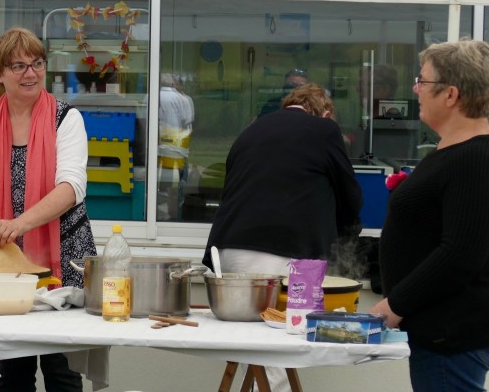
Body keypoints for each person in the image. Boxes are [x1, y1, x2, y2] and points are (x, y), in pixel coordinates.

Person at [0, 27, 95, 392]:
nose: (31, 73)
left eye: (37, 63)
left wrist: (19, 224)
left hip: (63, 264)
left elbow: (71, 187)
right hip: (3, 269)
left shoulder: (66, 119)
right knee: (14, 372)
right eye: (19, 66)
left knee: (62, 373)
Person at [369, 40, 489, 392]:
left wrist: (395, 304)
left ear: (451, 94)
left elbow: (461, 254)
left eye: (423, 82)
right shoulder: (452, 153)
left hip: (448, 333)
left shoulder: (473, 158)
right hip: (434, 330)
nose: (415, 90)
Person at [204, 83, 362, 273]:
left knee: (239, 304)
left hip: (226, 249)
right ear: (326, 115)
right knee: (293, 304)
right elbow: (349, 195)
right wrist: (348, 235)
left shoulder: (251, 131)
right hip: (281, 252)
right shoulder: (324, 128)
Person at [156, 73, 195, 220]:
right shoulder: (183, 99)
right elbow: (188, 122)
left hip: (157, 144)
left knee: (157, 177)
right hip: (178, 145)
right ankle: (179, 207)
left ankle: (159, 207)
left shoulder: (151, 95)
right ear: (174, 84)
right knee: (179, 178)